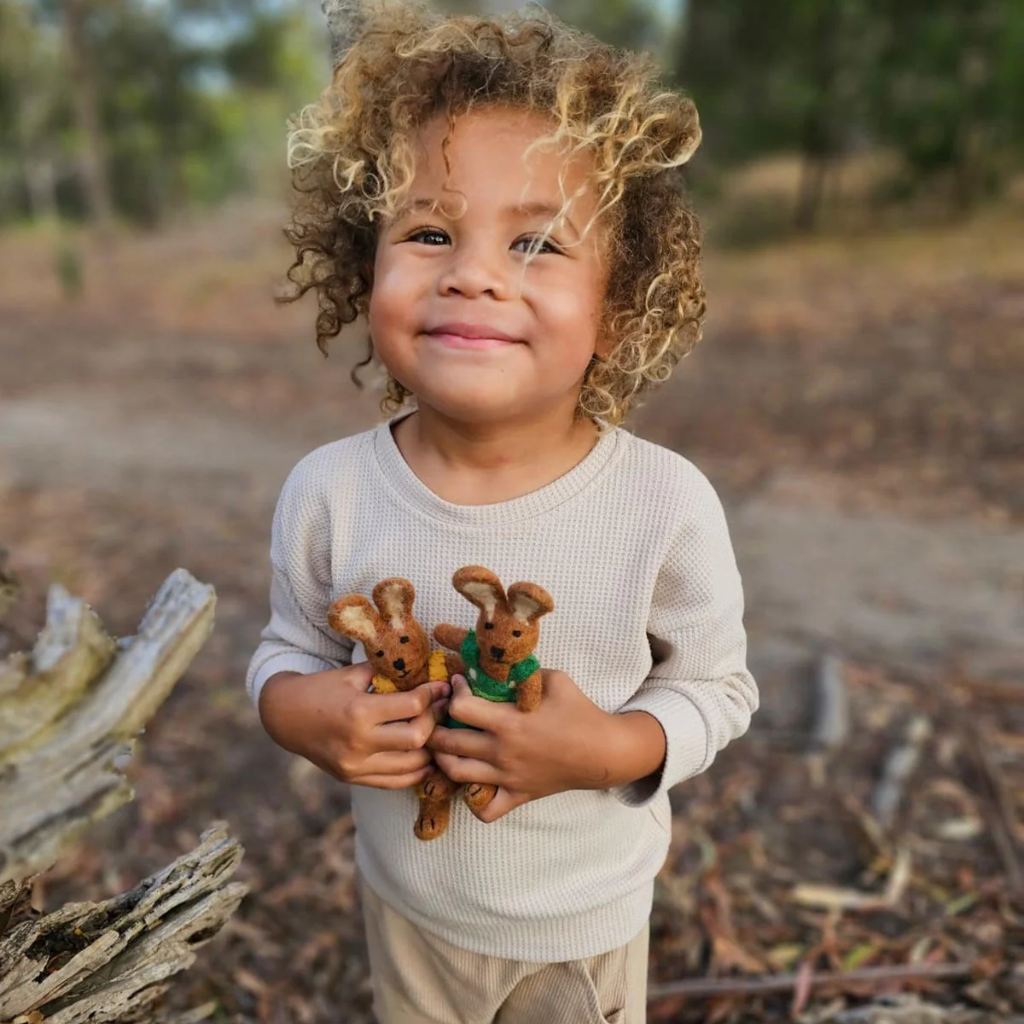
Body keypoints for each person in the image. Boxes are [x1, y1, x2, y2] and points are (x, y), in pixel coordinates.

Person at [246, 3, 758, 1021]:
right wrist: (303, 714)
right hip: (406, 905)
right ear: (368, 273)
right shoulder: (330, 490)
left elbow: (718, 688)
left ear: (615, 311)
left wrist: (614, 750)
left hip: (579, 925)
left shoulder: (660, 502)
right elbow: (285, 650)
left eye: (536, 242)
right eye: (429, 231)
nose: (473, 271)